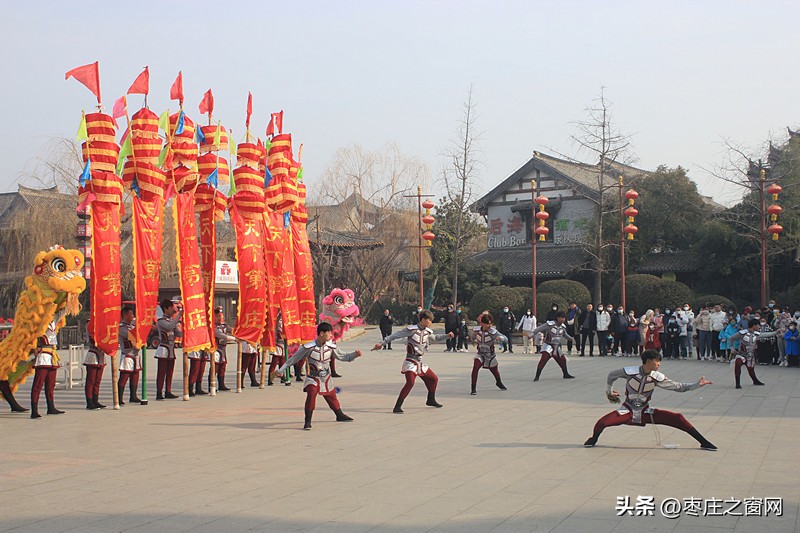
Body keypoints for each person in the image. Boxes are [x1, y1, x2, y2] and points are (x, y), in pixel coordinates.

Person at [583, 349, 716, 450]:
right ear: (647, 361)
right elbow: (612, 375)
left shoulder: (657, 377)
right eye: (656, 361)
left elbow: (678, 387)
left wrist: (697, 385)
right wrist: (609, 392)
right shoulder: (630, 372)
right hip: (627, 409)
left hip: (645, 411)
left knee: (678, 418)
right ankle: (593, 439)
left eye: (659, 361)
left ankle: (703, 442)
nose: (659, 364)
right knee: (602, 423)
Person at [278, 322, 363, 430]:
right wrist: (281, 370)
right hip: (313, 378)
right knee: (311, 394)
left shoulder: (331, 347)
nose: (331, 335)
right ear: (321, 333)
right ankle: (307, 421)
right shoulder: (308, 347)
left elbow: (343, 356)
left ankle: (339, 414)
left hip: (326, 377)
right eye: (329, 333)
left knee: (331, 397)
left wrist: (355, 355)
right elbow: (293, 359)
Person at [372, 310, 453, 413]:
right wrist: (382, 343)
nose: (431, 323)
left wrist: (447, 336)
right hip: (410, 361)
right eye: (429, 321)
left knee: (434, 379)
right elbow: (395, 335)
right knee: (410, 382)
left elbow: (436, 338)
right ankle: (398, 406)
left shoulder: (427, 331)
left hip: (420, 362)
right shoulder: (412, 329)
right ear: (423, 320)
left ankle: (431, 399)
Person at [30, 315, 66, 419]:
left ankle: (51, 407)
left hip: (52, 355)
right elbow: (32, 336)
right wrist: (34, 348)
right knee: (38, 384)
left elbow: (62, 311)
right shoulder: (39, 321)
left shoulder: (54, 320)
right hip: (43, 355)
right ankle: (34, 410)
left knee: (51, 384)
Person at [530, 311, 576, 381]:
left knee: (563, 359)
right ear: (557, 318)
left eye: (564, 318)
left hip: (556, 347)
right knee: (543, 360)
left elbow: (564, 334)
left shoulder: (562, 327)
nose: (563, 319)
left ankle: (565, 373)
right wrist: (531, 334)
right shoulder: (549, 324)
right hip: (548, 345)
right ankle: (537, 376)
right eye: (561, 318)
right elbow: (538, 329)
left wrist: (570, 338)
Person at [469, 313, 508, 395]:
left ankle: (498, 382)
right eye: (487, 323)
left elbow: (506, 339)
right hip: (480, 353)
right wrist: (472, 338)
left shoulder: (493, 332)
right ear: (482, 323)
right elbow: (472, 338)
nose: (489, 325)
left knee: (494, 370)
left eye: (491, 323)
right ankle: (473, 388)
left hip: (490, 355)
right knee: (475, 367)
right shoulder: (477, 330)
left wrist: (501, 338)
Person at [729, 319, 774, 388]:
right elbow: (731, 338)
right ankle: (737, 383)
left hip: (750, 354)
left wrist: (776, 333)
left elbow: (765, 335)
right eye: (758, 325)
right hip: (742, 354)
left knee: (751, 369)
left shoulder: (756, 334)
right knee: (738, 364)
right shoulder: (742, 333)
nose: (759, 327)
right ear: (754, 325)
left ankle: (755, 380)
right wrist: (732, 348)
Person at [155, 299, 183, 400]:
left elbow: (177, 333)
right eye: (171, 308)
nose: (173, 310)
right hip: (163, 348)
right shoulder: (161, 321)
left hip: (171, 348)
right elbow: (169, 327)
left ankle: (168, 390)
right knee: (162, 372)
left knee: (170, 371)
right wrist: (179, 315)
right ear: (166, 309)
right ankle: (159, 392)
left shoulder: (172, 321)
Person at [117, 306, 142, 405]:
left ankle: (133, 395)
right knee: (124, 376)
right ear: (125, 315)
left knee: (135, 375)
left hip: (135, 354)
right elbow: (131, 336)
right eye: (131, 314)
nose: (132, 316)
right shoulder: (122, 328)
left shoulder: (132, 327)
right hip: (127, 354)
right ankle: (119, 397)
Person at [211, 308, 236, 392]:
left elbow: (232, 330)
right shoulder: (212, 327)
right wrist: (234, 339)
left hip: (223, 349)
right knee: (215, 367)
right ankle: (211, 385)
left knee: (222, 367)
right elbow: (222, 336)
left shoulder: (224, 326)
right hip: (216, 349)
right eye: (216, 316)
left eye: (219, 316)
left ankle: (221, 384)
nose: (218, 318)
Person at [83, 335, 107, 410]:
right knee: (91, 381)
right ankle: (89, 401)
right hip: (93, 354)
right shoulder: (90, 325)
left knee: (97, 380)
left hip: (101, 355)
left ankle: (95, 400)